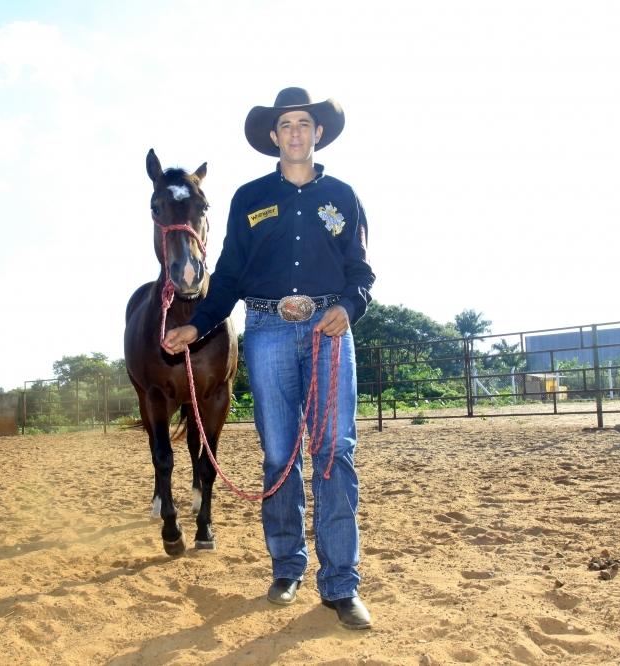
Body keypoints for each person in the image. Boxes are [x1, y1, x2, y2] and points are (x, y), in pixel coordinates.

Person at [162, 87, 375, 630]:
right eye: (287, 126)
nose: (296, 133)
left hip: (330, 329)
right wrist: (196, 323)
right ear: (274, 137)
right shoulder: (249, 198)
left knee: (335, 452)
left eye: (305, 124)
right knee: (280, 455)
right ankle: (286, 569)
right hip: (267, 329)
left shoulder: (345, 197)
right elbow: (229, 275)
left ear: (318, 133)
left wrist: (348, 309)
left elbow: (362, 276)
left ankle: (341, 585)